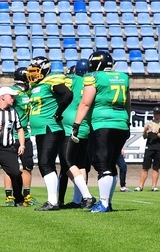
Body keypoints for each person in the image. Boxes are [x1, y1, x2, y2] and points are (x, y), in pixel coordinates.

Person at [71, 50, 130, 213]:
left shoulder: (94, 77)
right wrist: (128, 121)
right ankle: (107, 202)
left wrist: (76, 124)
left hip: (102, 124)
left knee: (103, 164)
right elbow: (128, 103)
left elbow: (85, 103)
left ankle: (104, 203)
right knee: (111, 164)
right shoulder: (123, 77)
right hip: (122, 124)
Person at [26, 55, 73, 211]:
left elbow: (68, 95)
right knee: (45, 164)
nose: (32, 74)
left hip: (50, 128)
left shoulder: (52, 82)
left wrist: (59, 112)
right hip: (42, 130)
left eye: (35, 70)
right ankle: (53, 200)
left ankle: (53, 201)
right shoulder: (37, 86)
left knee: (46, 163)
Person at [59, 59, 96, 209]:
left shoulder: (71, 80)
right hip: (85, 126)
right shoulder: (93, 82)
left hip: (70, 125)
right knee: (81, 164)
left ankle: (86, 196)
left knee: (66, 162)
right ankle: (77, 200)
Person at [5, 66, 37, 206]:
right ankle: (9, 196)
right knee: (9, 167)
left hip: (26, 134)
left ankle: (26, 196)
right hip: (12, 135)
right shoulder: (13, 93)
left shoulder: (28, 92)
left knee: (27, 166)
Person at [136, 107, 160, 191]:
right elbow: (144, 137)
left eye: (157, 113)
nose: (156, 115)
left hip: (159, 147)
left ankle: (154, 186)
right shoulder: (149, 123)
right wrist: (145, 130)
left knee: (156, 168)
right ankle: (140, 186)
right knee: (145, 167)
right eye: (154, 113)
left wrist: (156, 132)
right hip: (149, 147)